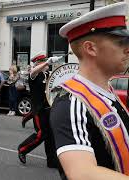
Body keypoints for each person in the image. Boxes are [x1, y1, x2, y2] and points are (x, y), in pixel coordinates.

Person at [50, 2, 129, 179]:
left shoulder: (106, 92)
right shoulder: (70, 102)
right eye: (121, 42)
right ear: (90, 48)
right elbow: (82, 173)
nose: (127, 48)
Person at [17, 52, 60, 168]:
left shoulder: (46, 74)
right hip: (39, 109)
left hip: (48, 108)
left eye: (46, 61)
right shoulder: (34, 74)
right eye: (43, 61)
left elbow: (49, 89)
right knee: (41, 134)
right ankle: (22, 149)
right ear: (38, 63)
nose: (46, 64)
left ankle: (52, 161)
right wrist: (47, 61)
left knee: (50, 135)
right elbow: (33, 72)